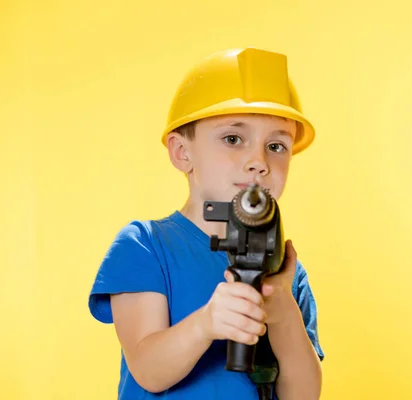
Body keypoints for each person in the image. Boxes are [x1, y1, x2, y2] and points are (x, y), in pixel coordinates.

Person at [88, 47, 324, 400]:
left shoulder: (285, 273)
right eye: (233, 139)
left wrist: (283, 310)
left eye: (276, 146)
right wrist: (206, 323)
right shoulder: (146, 246)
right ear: (183, 153)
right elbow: (149, 371)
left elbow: (303, 396)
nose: (258, 162)